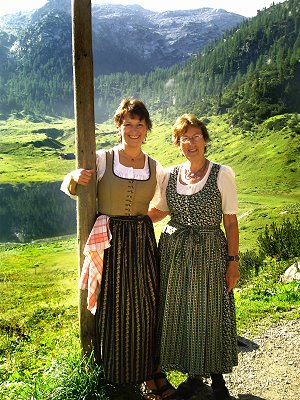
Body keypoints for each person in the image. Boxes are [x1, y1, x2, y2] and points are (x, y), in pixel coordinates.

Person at [61, 98, 169, 399]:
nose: (133, 130)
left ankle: (150, 373)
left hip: (142, 240)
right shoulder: (103, 159)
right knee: (113, 308)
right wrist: (73, 178)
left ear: (146, 129)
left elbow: (165, 203)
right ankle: (118, 377)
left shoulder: (155, 167)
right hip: (110, 243)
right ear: (118, 127)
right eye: (127, 124)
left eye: (139, 124)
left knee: (147, 305)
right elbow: (73, 186)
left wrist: (145, 219)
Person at [148, 114, 240, 400]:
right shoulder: (171, 175)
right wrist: (126, 216)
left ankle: (218, 379)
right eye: (184, 138)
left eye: (196, 136)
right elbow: (161, 212)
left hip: (210, 251)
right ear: (177, 143)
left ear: (205, 139)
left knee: (210, 311)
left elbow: (231, 222)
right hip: (174, 253)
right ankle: (193, 375)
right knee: (182, 312)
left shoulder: (221, 173)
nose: (191, 143)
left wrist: (233, 262)